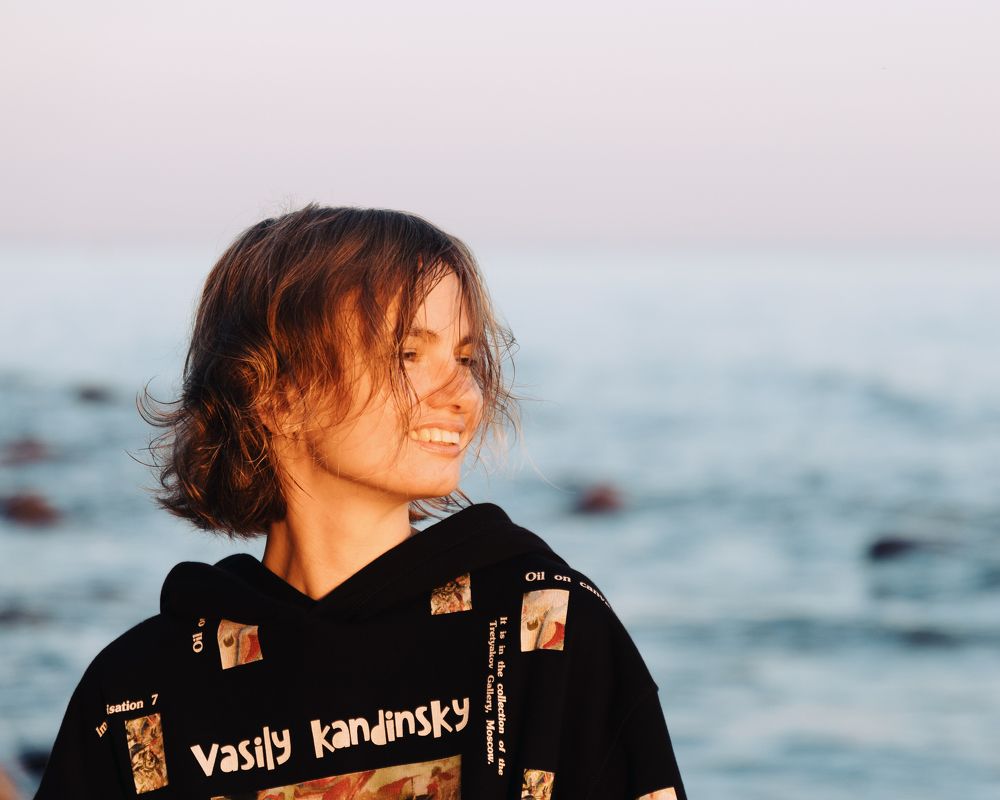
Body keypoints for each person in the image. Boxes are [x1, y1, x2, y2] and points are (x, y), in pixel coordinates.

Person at [34, 205, 688, 799]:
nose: (462, 394)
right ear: (276, 394)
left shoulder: (543, 631)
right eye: (409, 353)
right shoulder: (139, 694)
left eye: (465, 357)